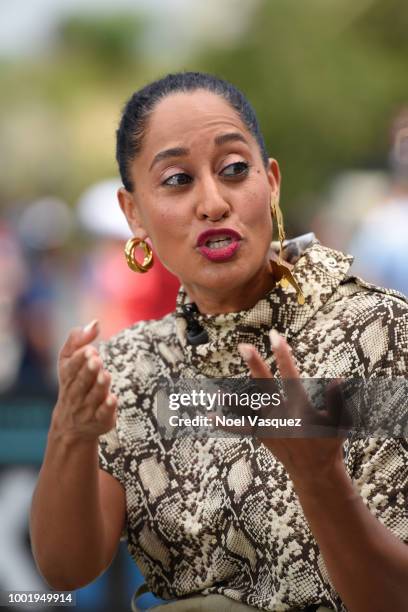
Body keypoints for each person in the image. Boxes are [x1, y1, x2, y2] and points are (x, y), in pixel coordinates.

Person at [29, 72, 408, 612]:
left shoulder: (383, 336)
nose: (212, 202)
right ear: (133, 213)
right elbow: (66, 568)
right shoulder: (130, 370)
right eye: (177, 180)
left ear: (271, 182)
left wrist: (320, 480)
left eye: (234, 170)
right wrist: (70, 432)